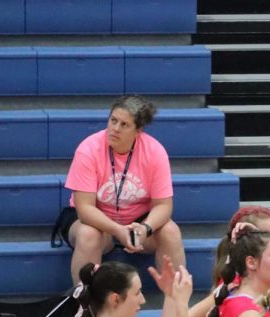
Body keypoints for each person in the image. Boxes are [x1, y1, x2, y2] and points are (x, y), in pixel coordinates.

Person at [60, 95, 184, 287]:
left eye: (124, 125)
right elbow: (84, 209)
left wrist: (145, 228)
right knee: (88, 235)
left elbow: (164, 206)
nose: (115, 129)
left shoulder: (155, 152)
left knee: (171, 231)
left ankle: (178, 302)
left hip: (138, 222)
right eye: (113, 120)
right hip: (96, 221)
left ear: (138, 131)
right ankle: (84, 305)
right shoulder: (88, 149)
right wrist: (118, 230)